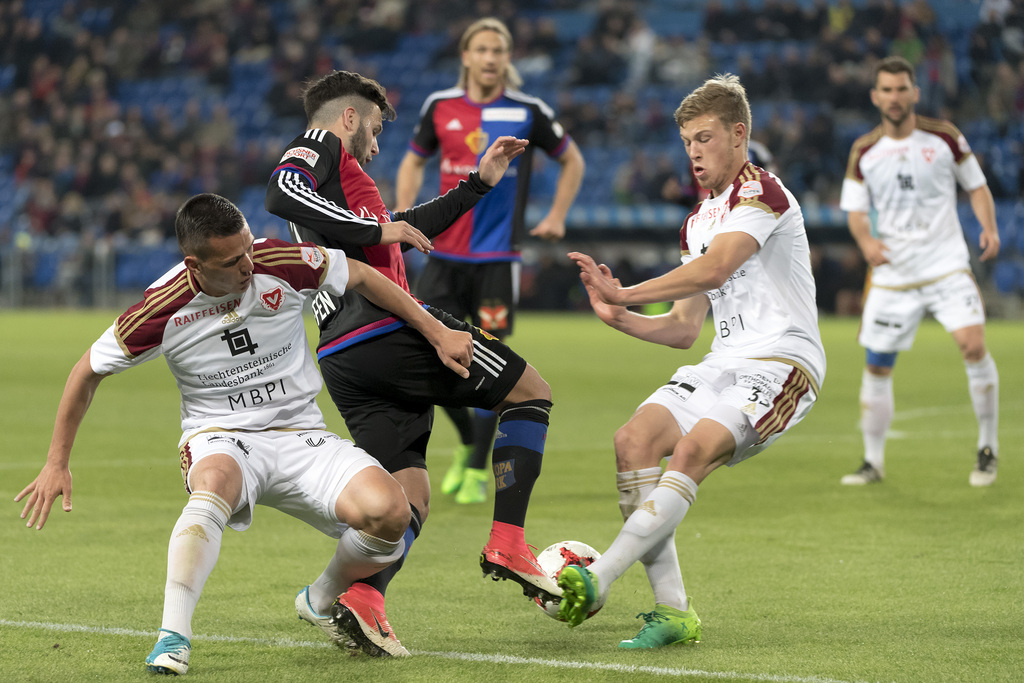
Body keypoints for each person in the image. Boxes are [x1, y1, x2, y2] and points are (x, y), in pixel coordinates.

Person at [14, 193, 476, 673]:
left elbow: (359, 274)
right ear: (194, 264)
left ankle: (319, 599)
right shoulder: (162, 308)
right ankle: (173, 636)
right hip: (221, 436)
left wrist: (435, 330)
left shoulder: (277, 260)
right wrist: (56, 461)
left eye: (248, 249)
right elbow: (86, 372)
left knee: (392, 513)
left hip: (301, 435)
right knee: (213, 485)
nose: (248, 266)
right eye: (233, 261)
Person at [264, 69, 560, 657]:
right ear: (347, 118)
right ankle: (507, 540)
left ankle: (363, 600)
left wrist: (477, 185)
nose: (375, 146)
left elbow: (402, 233)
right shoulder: (322, 146)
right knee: (529, 393)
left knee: (407, 499)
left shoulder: (344, 193)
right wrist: (380, 227)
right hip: (386, 327)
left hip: (344, 354)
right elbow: (280, 190)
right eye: (372, 130)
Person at [557, 74, 826, 648]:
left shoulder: (763, 193)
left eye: (704, 138)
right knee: (633, 439)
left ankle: (599, 578)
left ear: (738, 133)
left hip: (782, 363)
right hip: (722, 360)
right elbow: (684, 329)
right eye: (686, 143)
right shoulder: (697, 221)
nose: (694, 153)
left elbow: (714, 270)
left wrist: (627, 292)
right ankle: (673, 612)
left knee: (693, 449)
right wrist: (621, 317)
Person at [394, 17, 585, 505]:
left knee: (490, 359)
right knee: (430, 355)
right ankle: (467, 444)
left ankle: (477, 466)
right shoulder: (440, 107)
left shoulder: (528, 110)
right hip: (442, 255)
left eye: (498, 49)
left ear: (507, 58)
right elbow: (414, 159)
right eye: (481, 49)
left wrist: (557, 214)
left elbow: (573, 159)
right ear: (466, 55)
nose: (490, 57)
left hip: (499, 260)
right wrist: (400, 219)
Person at [838, 56, 1000, 487]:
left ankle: (987, 448)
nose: (894, 97)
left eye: (901, 88)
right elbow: (855, 212)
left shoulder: (945, 137)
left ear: (915, 92)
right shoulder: (864, 151)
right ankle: (872, 462)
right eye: (886, 90)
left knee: (972, 344)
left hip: (946, 265)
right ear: (875, 96)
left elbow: (977, 186)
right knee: (877, 365)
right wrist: (867, 242)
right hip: (894, 274)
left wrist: (988, 227)